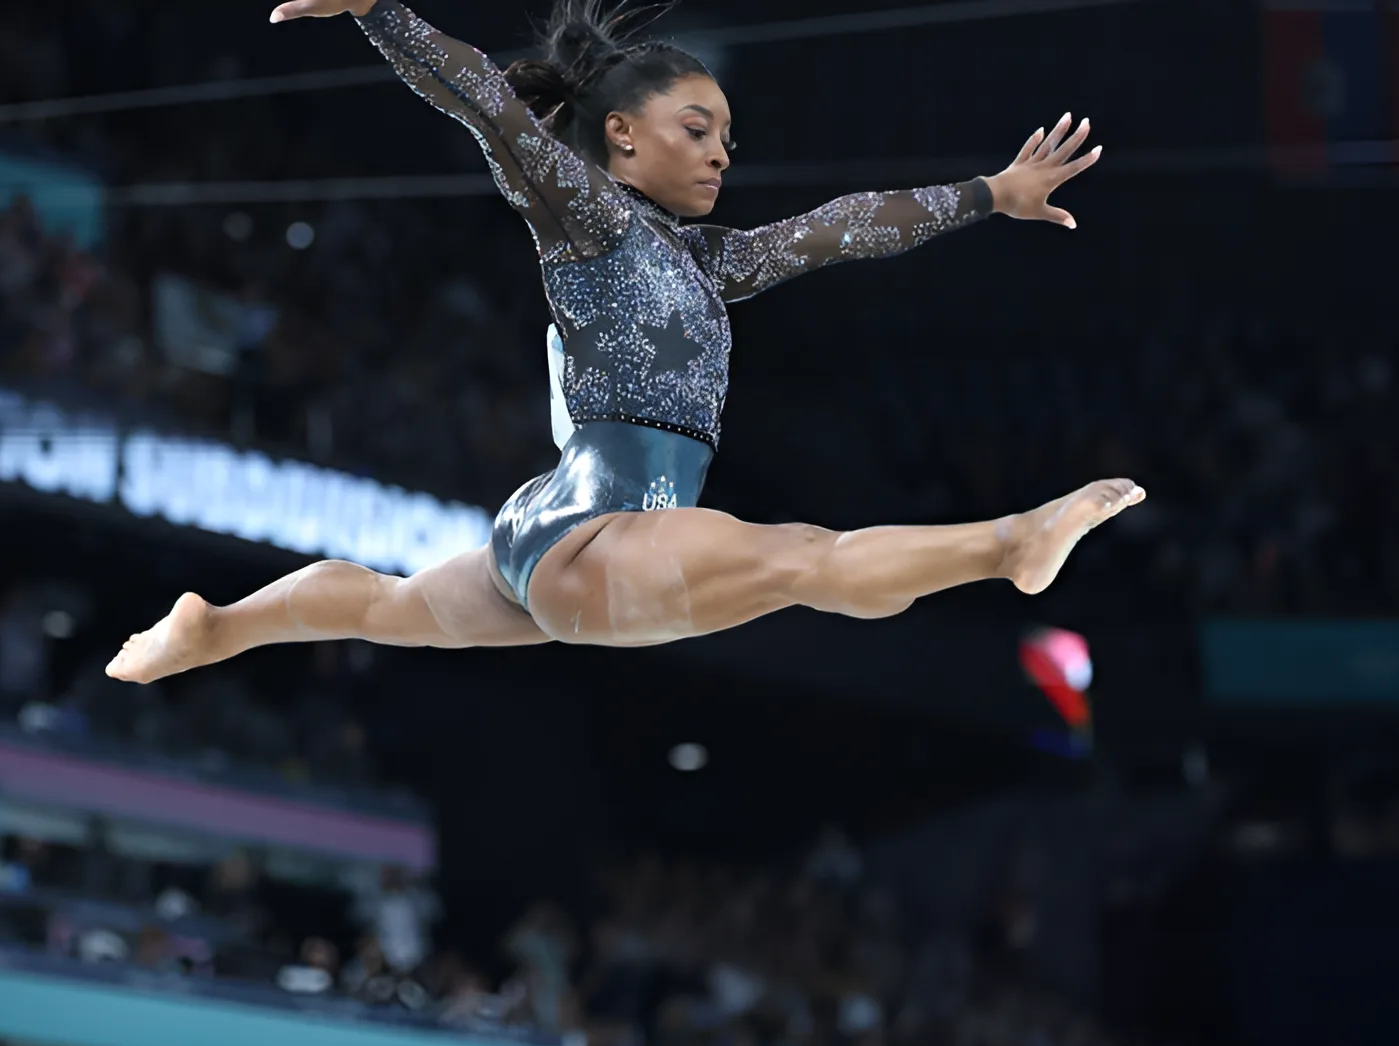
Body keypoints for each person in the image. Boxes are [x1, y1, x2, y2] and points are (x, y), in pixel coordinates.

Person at [106, 0, 1139, 682]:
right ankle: (1008, 546)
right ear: (622, 135)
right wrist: (381, 11)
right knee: (798, 559)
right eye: (698, 129)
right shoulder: (588, 216)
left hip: (553, 527)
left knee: (385, 604)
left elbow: (843, 226)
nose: (720, 154)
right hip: (600, 532)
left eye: (730, 140)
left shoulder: (709, 261)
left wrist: (989, 194)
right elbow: (490, 106)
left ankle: (219, 625)